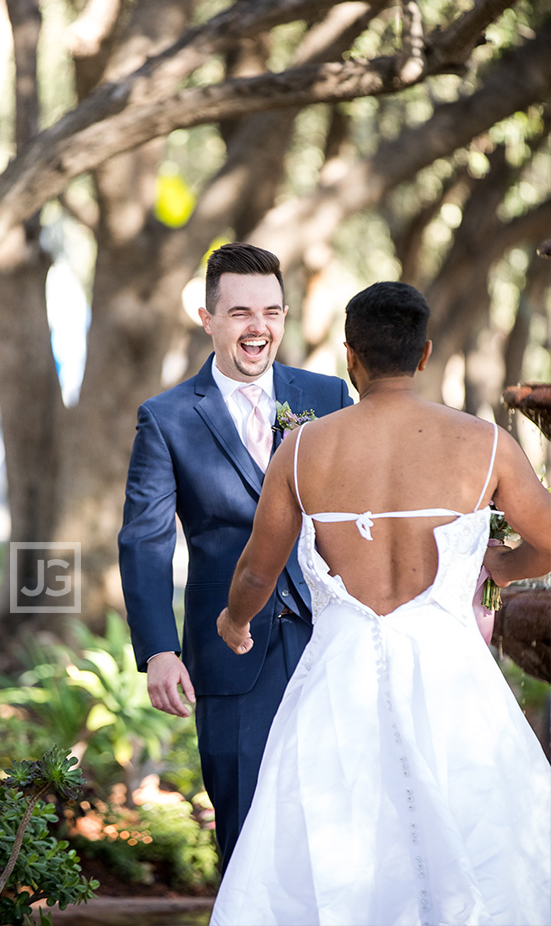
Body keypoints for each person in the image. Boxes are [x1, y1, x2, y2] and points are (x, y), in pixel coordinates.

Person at [211, 281, 551, 926]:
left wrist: (235, 620)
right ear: (424, 355)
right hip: (454, 686)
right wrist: (505, 567)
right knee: (483, 842)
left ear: (350, 358)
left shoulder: (305, 448)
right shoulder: (483, 444)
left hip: (339, 685)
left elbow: (259, 568)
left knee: (332, 854)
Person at [118, 242, 352, 867]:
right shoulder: (166, 419)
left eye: (272, 312)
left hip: (334, 639)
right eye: (243, 313)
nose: (260, 328)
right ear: (208, 318)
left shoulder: (329, 397)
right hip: (230, 650)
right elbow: (144, 539)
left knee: (338, 821)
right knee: (246, 826)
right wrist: (159, 650)